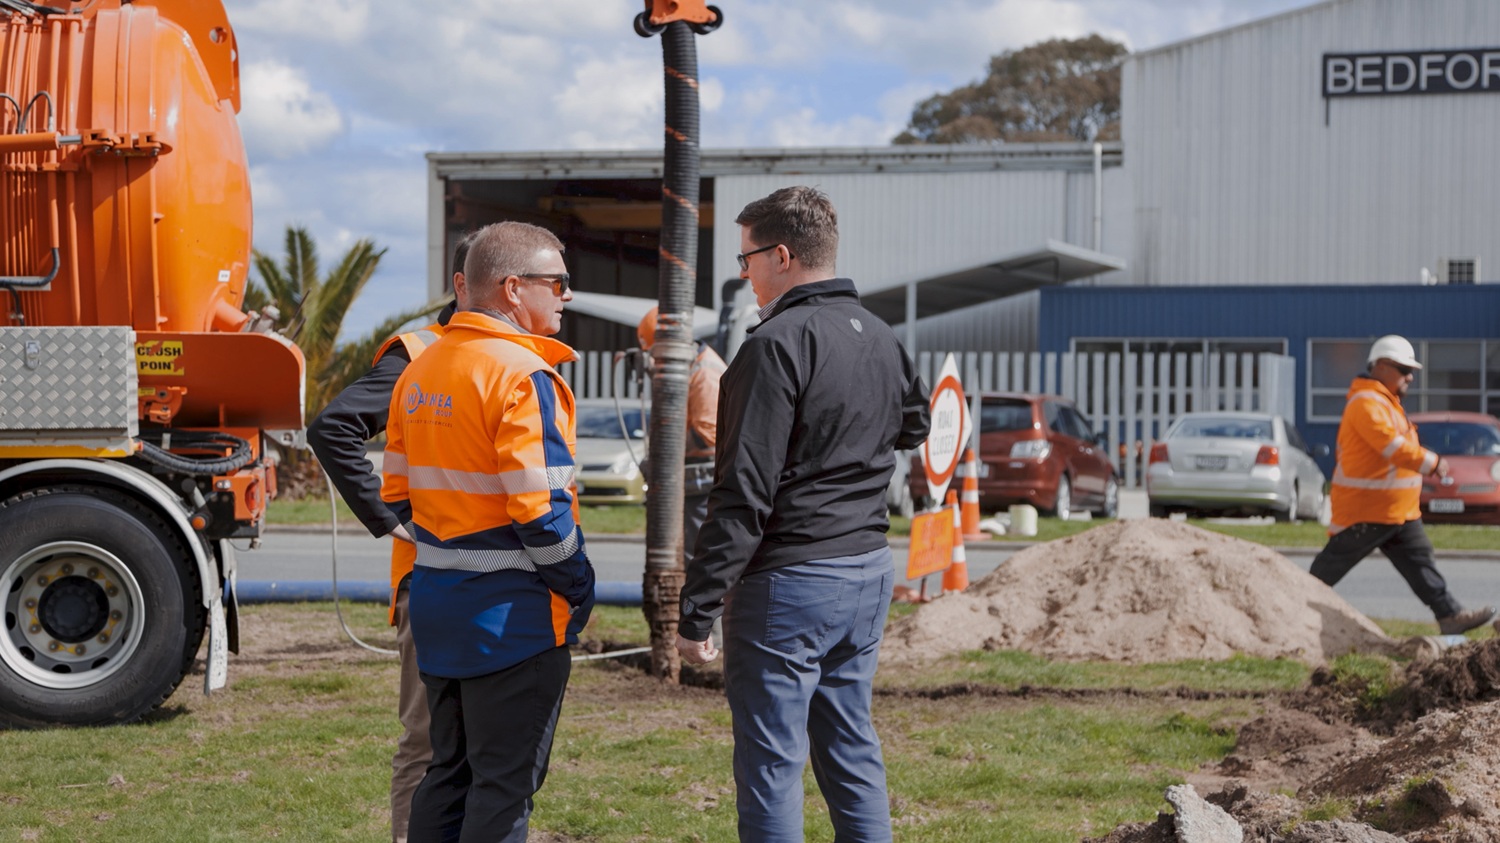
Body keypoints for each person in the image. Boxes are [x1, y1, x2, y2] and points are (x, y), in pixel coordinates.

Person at [675, 186, 930, 842]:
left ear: (781, 255)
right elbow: (915, 423)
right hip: (868, 571)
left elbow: (742, 496)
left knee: (771, 763)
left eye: (746, 259)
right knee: (850, 747)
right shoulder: (880, 336)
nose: (744, 274)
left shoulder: (773, 346)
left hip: (789, 583)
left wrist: (696, 608)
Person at [382, 221, 596, 843]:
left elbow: (396, 497)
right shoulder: (523, 376)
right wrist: (578, 586)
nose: (565, 295)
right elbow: (540, 512)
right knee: (503, 791)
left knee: (447, 774)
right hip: (515, 622)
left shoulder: (420, 370)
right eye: (556, 282)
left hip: (439, 610)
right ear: (512, 288)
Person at [306, 232, 474, 843]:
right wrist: (385, 516)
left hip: (500, 583)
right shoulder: (418, 351)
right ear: (466, 283)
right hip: (429, 580)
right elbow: (334, 426)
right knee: (428, 740)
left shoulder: (515, 354)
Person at [1310, 334, 1495, 635]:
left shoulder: (1386, 402)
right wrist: (1432, 463)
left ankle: (1450, 616)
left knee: (1421, 562)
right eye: (1403, 369)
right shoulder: (1366, 403)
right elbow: (1390, 446)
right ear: (1381, 366)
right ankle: (1289, 607)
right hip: (1368, 511)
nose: (1410, 377)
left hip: (1398, 512)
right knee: (1325, 571)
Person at [635, 306, 726, 554]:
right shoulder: (691, 368)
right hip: (691, 479)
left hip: (703, 482)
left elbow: (708, 435)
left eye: (654, 354)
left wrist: (663, 452)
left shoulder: (704, 373)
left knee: (696, 553)